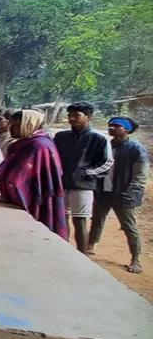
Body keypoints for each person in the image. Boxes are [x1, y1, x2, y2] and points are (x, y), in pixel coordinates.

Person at [89, 116, 149, 273]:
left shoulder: (136, 148)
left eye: (116, 126)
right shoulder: (107, 145)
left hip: (124, 193)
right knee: (97, 220)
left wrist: (131, 192)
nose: (111, 128)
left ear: (127, 129)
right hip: (104, 191)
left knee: (129, 226)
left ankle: (136, 259)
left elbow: (141, 174)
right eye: (110, 125)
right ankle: (89, 248)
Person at [0, 110, 67, 239]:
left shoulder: (37, 145)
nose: (10, 128)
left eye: (15, 125)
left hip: (35, 198)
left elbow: (17, 180)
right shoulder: (26, 143)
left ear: (27, 124)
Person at [54, 102, 113, 254]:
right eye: (69, 115)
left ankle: (82, 254)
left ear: (88, 117)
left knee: (79, 221)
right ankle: (63, 249)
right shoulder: (61, 137)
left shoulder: (98, 138)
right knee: (61, 218)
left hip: (82, 186)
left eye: (76, 115)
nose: (72, 119)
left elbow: (107, 162)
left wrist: (85, 173)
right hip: (62, 183)